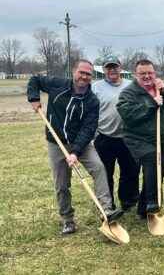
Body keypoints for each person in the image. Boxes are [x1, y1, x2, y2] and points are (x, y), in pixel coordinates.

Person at [27, 59, 123, 235]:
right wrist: (33, 98)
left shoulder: (92, 100)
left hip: (81, 143)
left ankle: (107, 211)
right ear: (74, 72)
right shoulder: (57, 85)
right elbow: (35, 80)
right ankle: (67, 220)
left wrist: (75, 152)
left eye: (88, 74)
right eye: (82, 72)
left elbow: (88, 129)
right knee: (62, 184)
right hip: (56, 143)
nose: (84, 76)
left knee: (99, 168)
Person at [116, 59, 164, 220]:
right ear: (135, 75)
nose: (147, 76)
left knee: (158, 172)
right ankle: (152, 202)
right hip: (140, 139)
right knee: (152, 160)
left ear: (155, 73)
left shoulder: (162, 88)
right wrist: (152, 103)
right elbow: (128, 115)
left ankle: (142, 209)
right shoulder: (128, 93)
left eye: (150, 73)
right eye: (142, 73)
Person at [91, 55, 139, 211]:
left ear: (120, 67)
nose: (112, 70)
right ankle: (107, 204)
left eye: (115, 66)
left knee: (130, 171)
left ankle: (128, 201)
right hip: (105, 137)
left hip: (128, 137)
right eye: (109, 67)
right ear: (104, 69)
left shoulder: (131, 85)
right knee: (105, 173)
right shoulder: (96, 87)